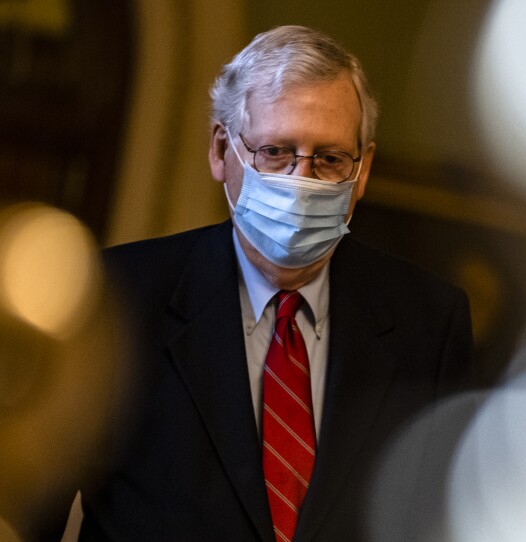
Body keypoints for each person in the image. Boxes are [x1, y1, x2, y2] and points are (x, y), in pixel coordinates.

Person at [78, 25, 474, 541]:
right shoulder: (116, 298)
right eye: (275, 151)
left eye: (329, 159)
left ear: (363, 170)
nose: (300, 181)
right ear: (221, 150)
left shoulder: (429, 324)